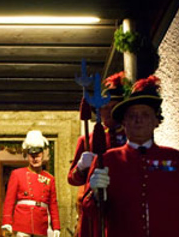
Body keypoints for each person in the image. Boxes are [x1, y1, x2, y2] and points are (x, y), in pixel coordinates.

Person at [82, 75, 179, 237]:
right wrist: (95, 195)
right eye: (132, 116)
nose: (138, 120)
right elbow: (90, 212)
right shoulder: (107, 160)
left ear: (156, 121)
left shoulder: (178, 160)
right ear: (124, 122)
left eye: (145, 115)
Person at [67, 72, 129, 237]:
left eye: (112, 107)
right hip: (95, 205)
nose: (107, 112)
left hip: (125, 202)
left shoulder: (132, 137)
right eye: (104, 108)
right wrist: (81, 167)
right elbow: (72, 179)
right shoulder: (87, 140)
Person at [1, 130, 61, 237]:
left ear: (43, 154)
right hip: (22, 223)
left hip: (41, 224)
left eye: (37, 155)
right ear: (27, 156)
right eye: (32, 155)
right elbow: (9, 201)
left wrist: (56, 226)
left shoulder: (49, 178)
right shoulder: (17, 174)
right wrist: (6, 222)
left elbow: (53, 204)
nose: (35, 158)